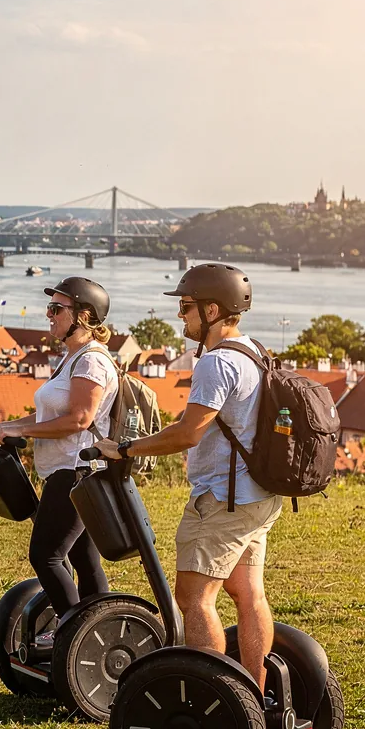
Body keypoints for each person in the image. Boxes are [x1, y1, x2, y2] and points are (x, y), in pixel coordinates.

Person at [93, 263, 277, 685]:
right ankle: (253, 694)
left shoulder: (216, 363)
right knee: (249, 597)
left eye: (187, 306)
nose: (181, 315)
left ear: (212, 310)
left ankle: (217, 697)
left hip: (222, 500)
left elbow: (188, 433)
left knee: (194, 600)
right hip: (258, 496)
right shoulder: (255, 350)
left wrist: (125, 448)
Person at [0, 277, 121, 634]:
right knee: (83, 560)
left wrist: (22, 432)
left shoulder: (92, 362)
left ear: (83, 316)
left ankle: (74, 634)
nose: (49, 314)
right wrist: (7, 426)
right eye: (49, 308)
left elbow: (78, 419)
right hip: (66, 471)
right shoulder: (72, 358)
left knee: (46, 555)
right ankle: (96, 631)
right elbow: (48, 415)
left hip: (77, 472)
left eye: (57, 309)